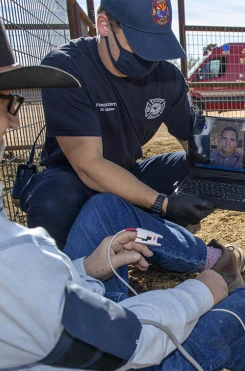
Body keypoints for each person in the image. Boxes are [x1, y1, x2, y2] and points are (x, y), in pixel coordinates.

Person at [0, 23, 245, 371]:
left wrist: (235, 167)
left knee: (107, 208)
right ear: (104, 25)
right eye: (9, 101)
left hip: (67, 347)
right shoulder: (18, 257)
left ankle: (210, 255)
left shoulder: (20, 264)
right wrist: (200, 291)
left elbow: (195, 136)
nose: (14, 117)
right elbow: (131, 343)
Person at [18, 0, 216, 249]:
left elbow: (193, 141)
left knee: (200, 166)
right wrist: (163, 203)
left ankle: (154, 228)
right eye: (140, 43)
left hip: (127, 171)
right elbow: (88, 164)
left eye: (157, 44)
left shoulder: (166, 76)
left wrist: (229, 170)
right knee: (52, 201)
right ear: (104, 25)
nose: (149, 57)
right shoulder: (67, 69)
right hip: (74, 178)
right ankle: (72, 269)